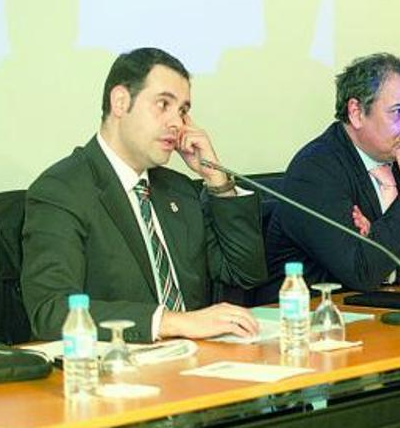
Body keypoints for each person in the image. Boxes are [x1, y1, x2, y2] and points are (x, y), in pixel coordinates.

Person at [21, 48, 267, 343]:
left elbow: (244, 274)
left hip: (200, 364)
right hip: (119, 370)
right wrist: (172, 323)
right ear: (121, 102)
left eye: (183, 111)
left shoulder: (178, 190)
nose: (177, 123)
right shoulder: (62, 190)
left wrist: (218, 180)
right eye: (163, 104)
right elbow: (51, 310)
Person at [262, 53, 400, 296]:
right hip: (310, 318)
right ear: (356, 112)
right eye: (399, 112)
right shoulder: (315, 169)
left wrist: (384, 261)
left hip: (387, 305)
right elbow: (363, 271)